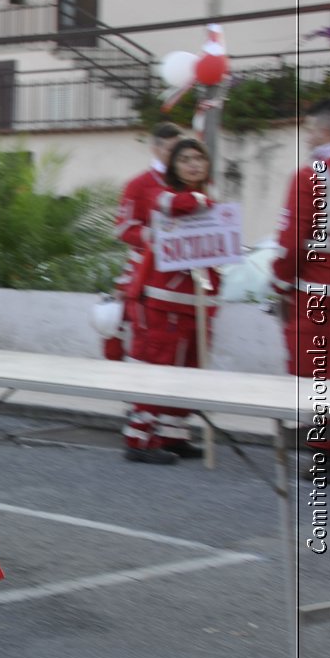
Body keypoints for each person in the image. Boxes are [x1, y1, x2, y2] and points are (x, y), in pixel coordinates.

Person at [122, 138, 217, 464]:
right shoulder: (161, 195)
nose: (193, 164)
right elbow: (180, 206)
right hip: (163, 302)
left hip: (195, 304)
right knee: (158, 368)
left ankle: (173, 435)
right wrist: (204, 200)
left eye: (199, 159)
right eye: (186, 159)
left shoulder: (208, 200)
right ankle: (140, 439)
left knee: (189, 371)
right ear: (173, 165)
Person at [272, 97, 330, 452]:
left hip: (318, 295)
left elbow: (291, 244)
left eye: (309, 130)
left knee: (319, 375)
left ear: (322, 129)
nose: (307, 137)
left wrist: (280, 283)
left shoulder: (309, 177)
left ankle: (326, 454)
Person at [110, 124, 186, 360]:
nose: (176, 157)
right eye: (171, 150)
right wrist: (156, 235)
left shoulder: (190, 183)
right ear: (155, 149)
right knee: (150, 343)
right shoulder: (139, 184)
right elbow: (123, 229)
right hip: (148, 274)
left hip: (183, 278)